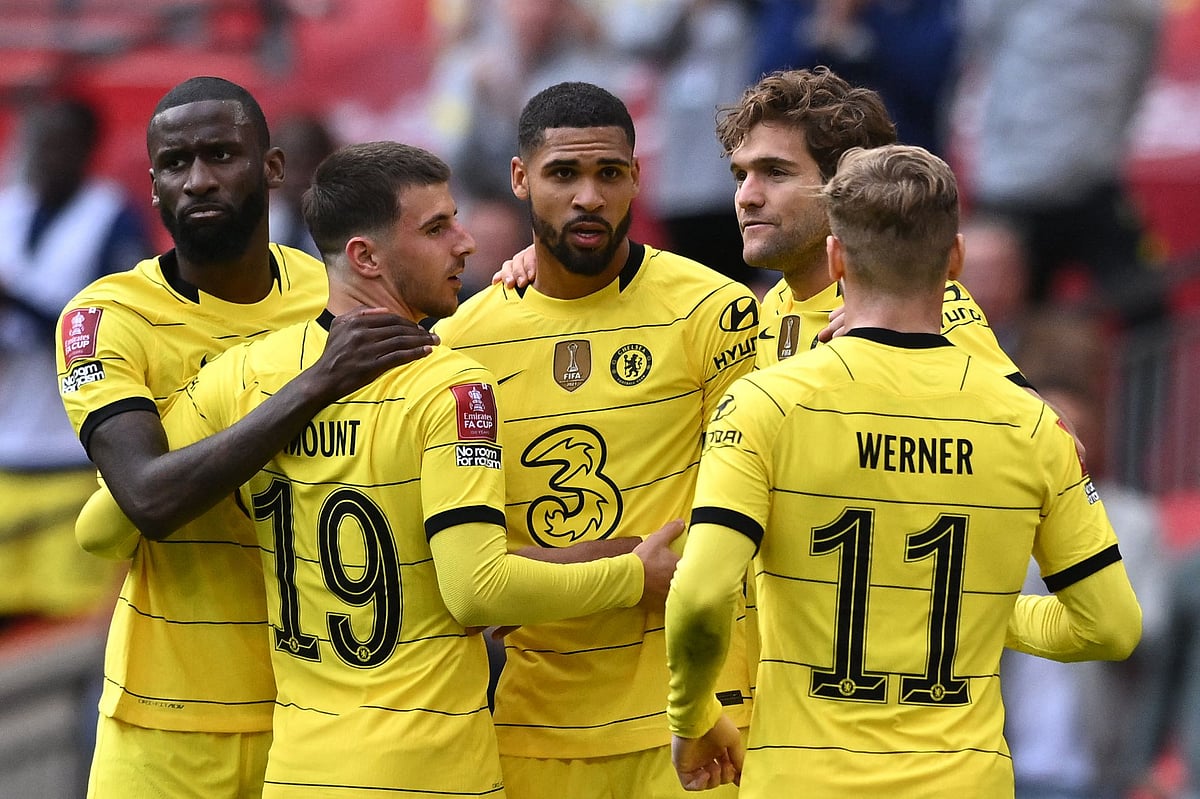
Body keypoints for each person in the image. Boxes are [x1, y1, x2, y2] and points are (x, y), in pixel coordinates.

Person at [111, 138, 681, 797]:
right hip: (428, 769)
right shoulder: (452, 385)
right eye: (438, 228)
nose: (464, 244)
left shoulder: (244, 375)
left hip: (300, 770)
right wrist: (629, 576)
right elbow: (476, 591)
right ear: (365, 257)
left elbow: (107, 524)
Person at [664, 144, 1143, 796]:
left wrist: (692, 713)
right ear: (955, 260)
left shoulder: (764, 403)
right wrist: (986, 612)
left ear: (836, 258)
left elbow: (696, 598)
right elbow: (1111, 626)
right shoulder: (1031, 423)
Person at [54, 76, 435, 798]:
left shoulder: (333, 292)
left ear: (273, 167)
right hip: (163, 725)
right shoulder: (106, 318)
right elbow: (148, 496)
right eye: (175, 163)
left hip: (317, 717)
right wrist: (315, 382)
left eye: (221, 154)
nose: (197, 179)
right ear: (154, 183)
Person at [434, 81, 759, 799]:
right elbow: (461, 578)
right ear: (521, 179)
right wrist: (611, 563)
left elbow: (739, 525)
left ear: (638, 178)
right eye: (563, 174)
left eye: (609, 173)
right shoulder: (460, 344)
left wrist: (536, 579)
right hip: (536, 725)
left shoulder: (713, 311)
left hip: (695, 718)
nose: (589, 196)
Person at [0, 97, 152, 622]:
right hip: (7, 448)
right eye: (35, 140)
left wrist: (16, 302)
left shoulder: (111, 218)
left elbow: (112, 335)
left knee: (64, 627)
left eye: (57, 142)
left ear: (88, 149)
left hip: (72, 455)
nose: (42, 154)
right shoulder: (8, 210)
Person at [268, 112, 336, 257]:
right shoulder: (258, 230)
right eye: (291, 167)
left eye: (308, 167)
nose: (297, 179)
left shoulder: (348, 231)